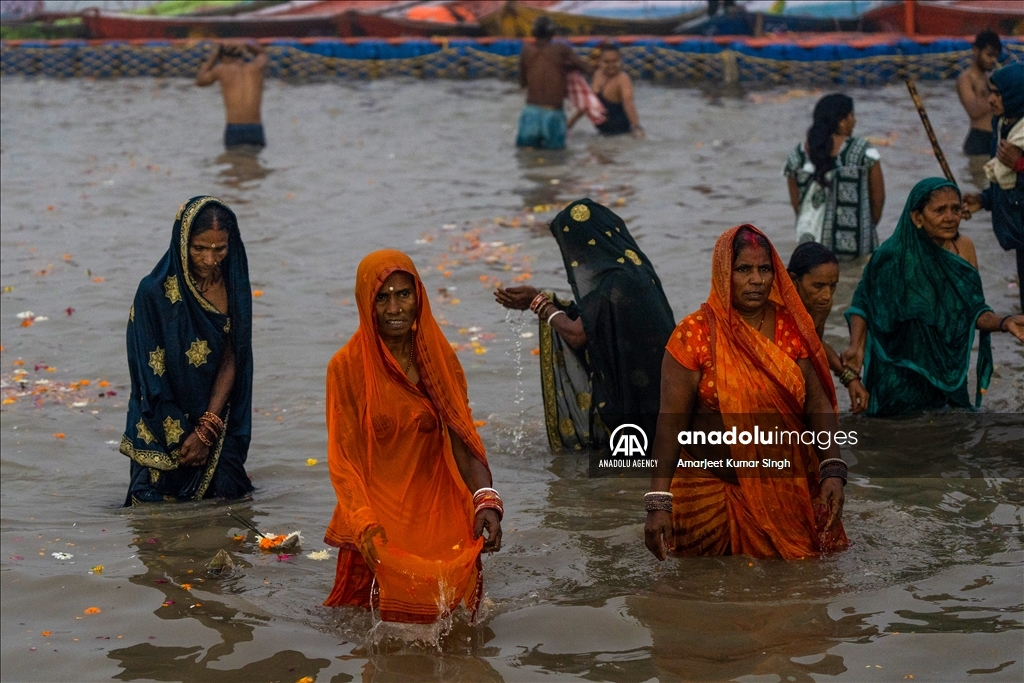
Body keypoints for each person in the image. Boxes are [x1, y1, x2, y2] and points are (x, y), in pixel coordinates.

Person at [644, 225, 849, 560]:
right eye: (744, 269)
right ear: (724, 272)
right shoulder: (694, 334)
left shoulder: (792, 328)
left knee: (802, 592)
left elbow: (817, 404)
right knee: (698, 596)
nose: (756, 279)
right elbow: (670, 426)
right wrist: (657, 502)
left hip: (784, 491)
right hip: (708, 495)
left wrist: (832, 467)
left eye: (764, 269)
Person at [323, 250, 502, 624]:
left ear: (418, 296)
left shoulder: (439, 359)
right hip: (377, 521)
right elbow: (344, 461)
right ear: (365, 303)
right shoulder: (346, 367)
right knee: (371, 630)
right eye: (382, 297)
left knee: (456, 635)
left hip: (438, 513)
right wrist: (365, 525)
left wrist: (485, 499)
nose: (394, 308)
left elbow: (462, 435)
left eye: (403, 294)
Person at [494, 199, 675, 451]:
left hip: (646, 404)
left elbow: (578, 334)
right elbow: (596, 319)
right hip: (666, 393)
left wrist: (538, 302)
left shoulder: (613, 282)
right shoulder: (634, 268)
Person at [843, 179, 1024, 416]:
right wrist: (856, 347)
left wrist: (1004, 322)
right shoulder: (892, 256)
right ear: (917, 217)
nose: (950, 217)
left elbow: (974, 310)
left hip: (948, 369)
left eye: (956, 209)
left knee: (951, 433)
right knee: (896, 438)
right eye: (940, 210)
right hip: (900, 372)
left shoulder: (963, 248)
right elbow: (864, 304)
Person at [121, 196, 254, 505]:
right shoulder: (152, 293)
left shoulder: (234, 286)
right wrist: (184, 436)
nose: (210, 260)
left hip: (217, 416)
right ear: (182, 242)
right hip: (160, 423)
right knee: (152, 519)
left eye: (220, 249)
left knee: (231, 502)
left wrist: (207, 428)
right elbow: (148, 373)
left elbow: (234, 356)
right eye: (199, 249)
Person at [784, 93, 885, 257]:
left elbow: (797, 206)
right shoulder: (863, 151)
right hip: (856, 245)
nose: (854, 121)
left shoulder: (797, 155)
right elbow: (878, 200)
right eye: (851, 115)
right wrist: (864, 227)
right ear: (841, 120)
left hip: (811, 247)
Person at [964, 62, 1024, 311]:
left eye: (997, 93)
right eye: (990, 92)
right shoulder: (1004, 128)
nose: (990, 100)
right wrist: (985, 200)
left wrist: (1020, 164)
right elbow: (1008, 185)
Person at [787, 242, 869, 413]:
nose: (826, 295)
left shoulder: (820, 306)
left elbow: (815, 345)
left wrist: (850, 378)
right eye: (818, 286)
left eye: (833, 286)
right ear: (794, 280)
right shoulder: (775, 307)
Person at [516, 16, 591, 150]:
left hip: (530, 112)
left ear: (533, 33)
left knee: (526, 156)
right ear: (553, 33)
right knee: (555, 159)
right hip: (553, 114)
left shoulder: (525, 51)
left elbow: (523, 83)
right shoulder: (561, 49)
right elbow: (586, 68)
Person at [196, 41, 269, 149]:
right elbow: (262, 54)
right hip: (255, 128)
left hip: (234, 128)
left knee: (233, 162)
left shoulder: (222, 69)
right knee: (255, 163)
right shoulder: (256, 68)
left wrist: (214, 55)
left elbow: (200, 81)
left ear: (224, 58)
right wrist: (246, 45)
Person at [568, 43, 644, 138]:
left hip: (621, 134)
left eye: (615, 61)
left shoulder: (622, 79)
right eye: (606, 62)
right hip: (602, 133)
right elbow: (587, 103)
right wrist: (569, 125)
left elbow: (628, 103)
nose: (611, 65)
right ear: (600, 62)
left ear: (621, 61)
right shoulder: (598, 75)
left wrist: (636, 127)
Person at [957, 31, 1002, 156]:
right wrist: (998, 99)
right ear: (976, 51)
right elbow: (973, 111)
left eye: (996, 56)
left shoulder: (989, 78)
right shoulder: (966, 78)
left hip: (994, 138)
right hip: (978, 139)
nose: (993, 60)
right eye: (989, 55)